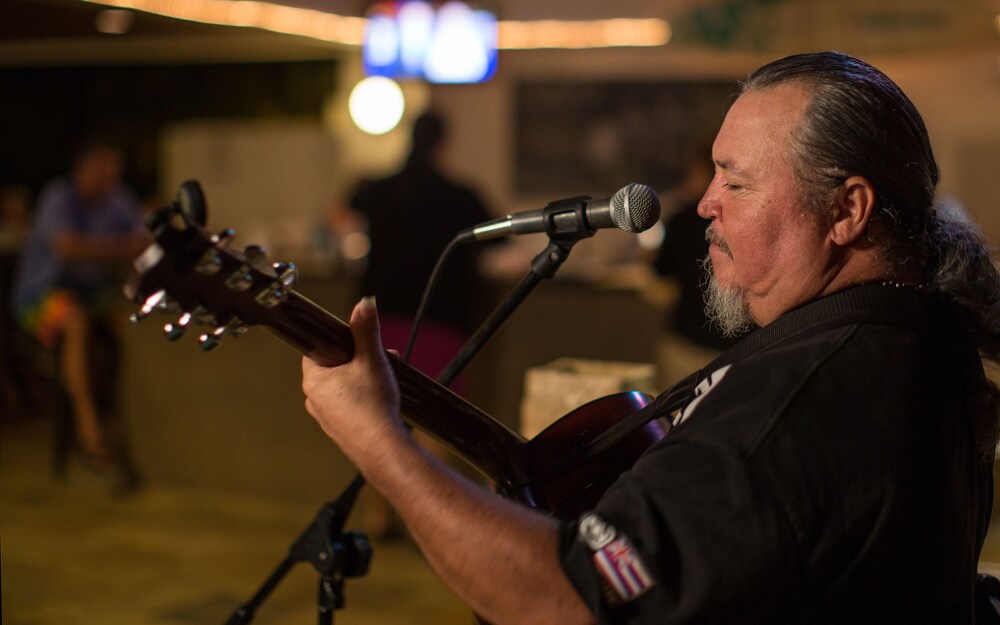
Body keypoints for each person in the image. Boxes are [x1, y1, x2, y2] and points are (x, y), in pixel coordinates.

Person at [301, 52, 1000, 624]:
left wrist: (376, 439)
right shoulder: (924, 338)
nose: (705, 203)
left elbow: (567, 600)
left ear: (848, 209)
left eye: (737, 181)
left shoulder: (803, 396)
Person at [348, 110, 495, 536]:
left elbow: (341, 213)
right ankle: (424, 516)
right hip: (439, 322)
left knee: (379, 415)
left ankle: (379, 517)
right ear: (442, 144)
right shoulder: (460, 195)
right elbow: (496, 241)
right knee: (436, 421)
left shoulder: (376, 188)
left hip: (381, 316)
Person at [10, 136, 146, 488]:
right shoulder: (59, 197)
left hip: (91, 296)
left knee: (130, 320)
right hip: (38, 299)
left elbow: (141, 238)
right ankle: (89, 431)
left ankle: (124, 421)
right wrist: (119, 249)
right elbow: (67, 248)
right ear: (83, 168)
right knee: (76, 322)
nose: (110, 176)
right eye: (103, 169)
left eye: (114, 169)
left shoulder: (117, 199)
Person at [653, 144, 737, 388]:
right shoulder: (691, 217)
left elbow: (661, 271)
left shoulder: (683, 219)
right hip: (738, 347)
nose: (705, 208)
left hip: (689, 344)